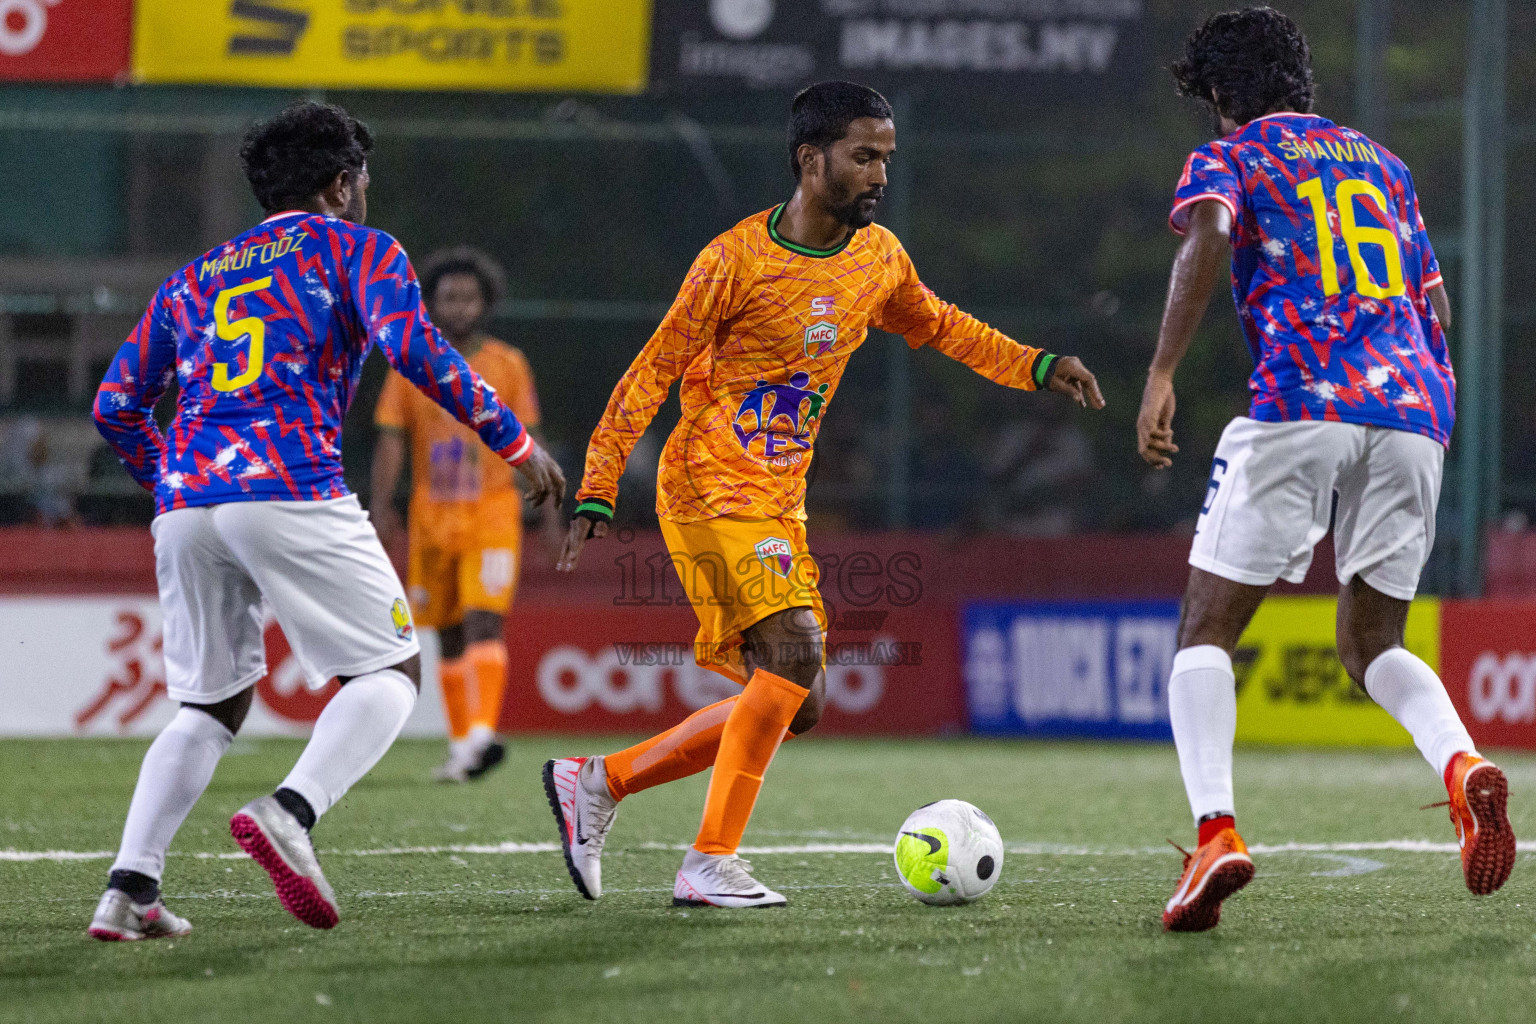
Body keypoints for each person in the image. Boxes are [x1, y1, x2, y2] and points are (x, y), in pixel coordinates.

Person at [545, 80, 1105, 909]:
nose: (879, 173)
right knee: (798, 656)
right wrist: (596, 488)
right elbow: (652, 371)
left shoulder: (879, 259)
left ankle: (600, 780)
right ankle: (708, 860)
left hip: (779, 497)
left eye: (885, 157)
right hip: (707, 483)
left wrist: (1034, 363)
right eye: (863, 156)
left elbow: (942, 324)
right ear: (811, 160)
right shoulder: (733, 260)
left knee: (792, 699)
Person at [87, 101, 563, 940]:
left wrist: (171, 481)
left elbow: (116, 403)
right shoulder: (357, 248)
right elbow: (415, 351)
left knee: (208, 708)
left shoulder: (194, 278)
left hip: (189, 506)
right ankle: (291, 812)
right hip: (290, 486)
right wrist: (516, 444)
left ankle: (129, 891)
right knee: (389, 673)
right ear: (342, 183)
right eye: (363, 178)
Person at [1138, 7, 1512, 933]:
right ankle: (1464, 769)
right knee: (1372, 643)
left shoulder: (1236, 155)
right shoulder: (1385, 165)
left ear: (1223, 93)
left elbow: (1211, 232)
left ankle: (1217, 833)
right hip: (1417, 408)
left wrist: (1161, 373)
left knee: (1204, 631)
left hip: (1305, 401)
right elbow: (1436, 299)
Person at [371, 246, 558, 783]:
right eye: (448, 298)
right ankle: (464, 748)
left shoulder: (508, 364)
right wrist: (382, 505)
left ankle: (480, 734)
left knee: (484, 620)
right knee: (449, 633)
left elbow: (530, 435)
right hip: (432, 516)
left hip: (493, 513)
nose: (459, 308)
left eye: (469, 298)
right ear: (430, 304)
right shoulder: (410, 363)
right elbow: (390, 440)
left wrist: (548, 512)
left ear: (485, 303)